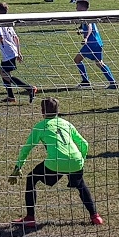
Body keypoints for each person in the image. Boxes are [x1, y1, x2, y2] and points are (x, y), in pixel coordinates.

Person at [9, 97, 103, 228]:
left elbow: (26, 148)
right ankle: (95, 216)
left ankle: (30, 218)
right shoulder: (66, 123)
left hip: (56, 162)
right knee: (81, 185)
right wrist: (80, 160)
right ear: (58, 111)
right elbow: (84, 144)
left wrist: (18, 166)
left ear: (42, 111)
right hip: (76, 160)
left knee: (31, 178)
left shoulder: (40, 127)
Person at [0, 2, 38, 104]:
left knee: (3, 73)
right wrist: (18, 52)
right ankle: (11, 96)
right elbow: (16, 38)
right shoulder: (8, 22)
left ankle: (29, 88)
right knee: (4, 73)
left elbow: (0, 37)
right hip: (12, 51)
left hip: (8, 52)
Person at [74, 0, 118, 89]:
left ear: (82, 7)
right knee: (99, 63)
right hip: (97, 42)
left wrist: (86, 38)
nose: (76, 8)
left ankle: (85, 81)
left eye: (77, 6)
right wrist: (82, 31)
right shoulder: (89, 15)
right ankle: (113, 82)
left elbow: (90, 28)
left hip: (91, 43)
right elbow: (91, 28)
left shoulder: (86, 16)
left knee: (77, 60)